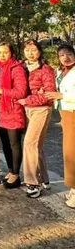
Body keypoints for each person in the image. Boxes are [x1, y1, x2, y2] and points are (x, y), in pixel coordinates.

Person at [17, 40, 55, 198]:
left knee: (29, 143)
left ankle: (32, 182)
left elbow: (49, 94)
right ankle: (44, 178)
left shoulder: (46, 69)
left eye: (33, 50)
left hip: (41, 109)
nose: (30, 53)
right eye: (27, 50)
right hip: (26, 109)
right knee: (36, 145)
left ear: (39, 51)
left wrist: (28, 100)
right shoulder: (21, 67)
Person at [0, 42, 28, 189]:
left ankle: (16, 175)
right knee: (5, 143)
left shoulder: (17, 69)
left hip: (13, 110)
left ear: (11, 54)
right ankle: (11, 171)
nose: (2, 55)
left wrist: (0, 91)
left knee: (14, 144)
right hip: (1, 111)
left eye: (5, 52)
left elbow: (21, 92)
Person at [45, 44, 75, 208]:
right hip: (65, 114)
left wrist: (62, 95)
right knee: (68, 152)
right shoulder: (60, 72)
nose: (66, 58)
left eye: (69, 54)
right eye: (62, 55)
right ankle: (72, 188)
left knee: (72, 152)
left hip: (73, 112)